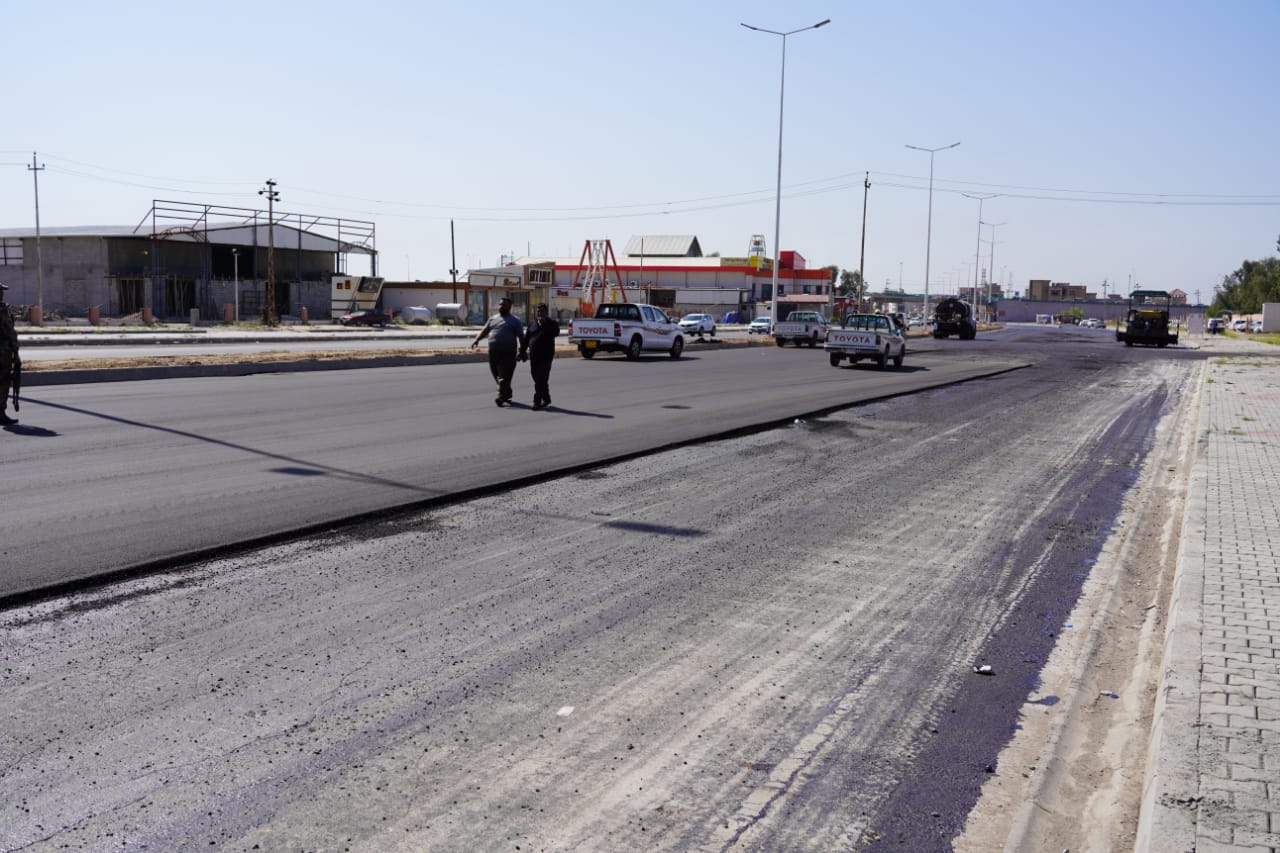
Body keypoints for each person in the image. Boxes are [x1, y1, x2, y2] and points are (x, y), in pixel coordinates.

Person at [470, 296, 524, 406]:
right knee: (496, 374)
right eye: (500, 304)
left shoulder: (515, 321)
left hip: (508, 353)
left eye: (504, 305)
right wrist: (477, 340)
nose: (501, 306)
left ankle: (500, 397)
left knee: (503, 376)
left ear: (509, 307)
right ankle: (507, 392)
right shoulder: (492, 319)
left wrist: (522, 351)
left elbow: (521, 337)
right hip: (493, 352)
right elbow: (485, 330)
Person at [523, 303, 559, 409]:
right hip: (534, 356)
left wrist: (545, 324)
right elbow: (526, 339)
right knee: (536, 377)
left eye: (542, 311)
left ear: (546, 313)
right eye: (538, 311)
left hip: (546, 356)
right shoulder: (532, 324)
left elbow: (555, 333)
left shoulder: (552, 323)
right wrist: (521, 352)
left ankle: (537, 401)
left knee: (541, 378)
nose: (540, 313)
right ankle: (546, 398)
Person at [0, 282, 19, 426]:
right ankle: (0, 414)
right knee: (3, 382)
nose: (2, 294)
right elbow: (10, 332)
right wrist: (16, 351)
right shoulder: (2, 309)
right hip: (2, 352)